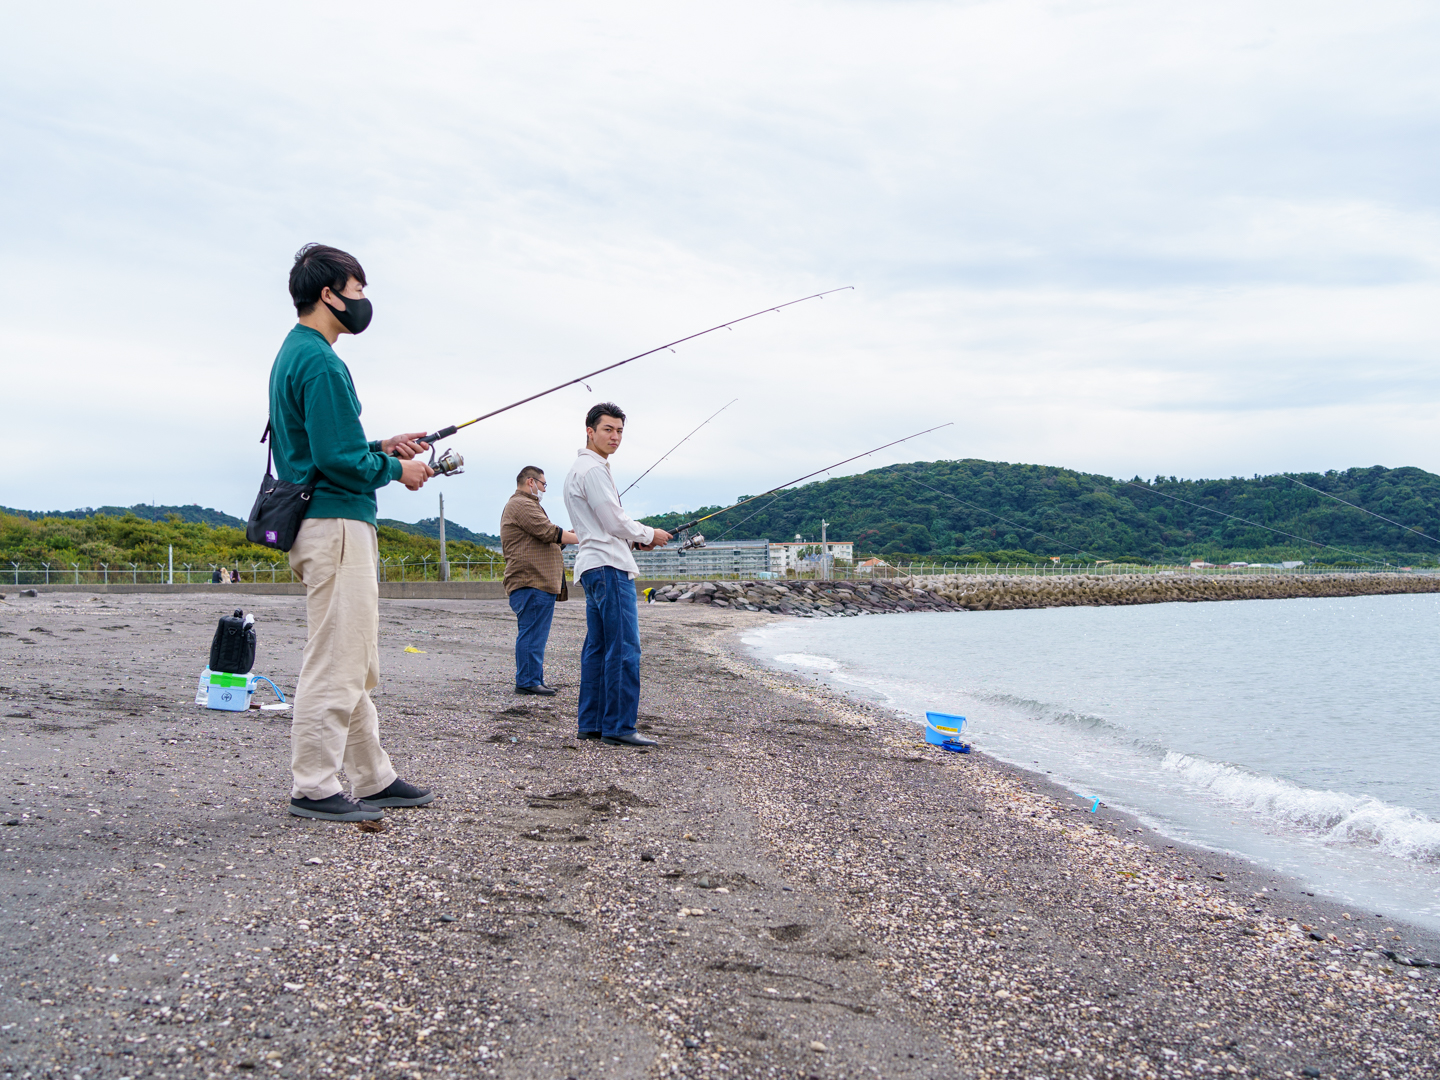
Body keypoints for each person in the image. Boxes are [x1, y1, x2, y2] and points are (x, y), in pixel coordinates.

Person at [269, 243, 438, 823]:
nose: (364, 303)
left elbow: (327, 450)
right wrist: (399, 469)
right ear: (328, 293)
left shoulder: (298, 353)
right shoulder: (319, 360)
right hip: (335, 524)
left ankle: (373, 775)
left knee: (356, 656)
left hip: (326, 522)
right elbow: (338, 460)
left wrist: (382, 446)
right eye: (359, 290)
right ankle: (313, 785)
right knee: (338, 660)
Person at [562, 403, 672, 747]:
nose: (615, 436)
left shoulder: (579, 470)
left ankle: (593, 723)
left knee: (598, 648)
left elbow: (600, 525)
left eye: (620, 430)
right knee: (624, 647)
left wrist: (635, 541)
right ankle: (620, 727)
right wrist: (648, 534)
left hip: (594, 565)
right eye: (608, 429)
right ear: (589, 431)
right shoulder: (592, 470)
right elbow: (613, 519)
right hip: (609, 567)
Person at [501, 467, 578, 696]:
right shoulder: (521, 504)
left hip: (537, 582)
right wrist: (583, 536)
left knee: (535, 634)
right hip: (531, 581)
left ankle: (533, 678)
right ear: (531, 482)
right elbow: (548, 532)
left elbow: (545, 538)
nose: (544, 489)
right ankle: (527, 681)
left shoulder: (527, 505)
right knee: (532, 634)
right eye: (544, 484)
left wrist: (567, 537)